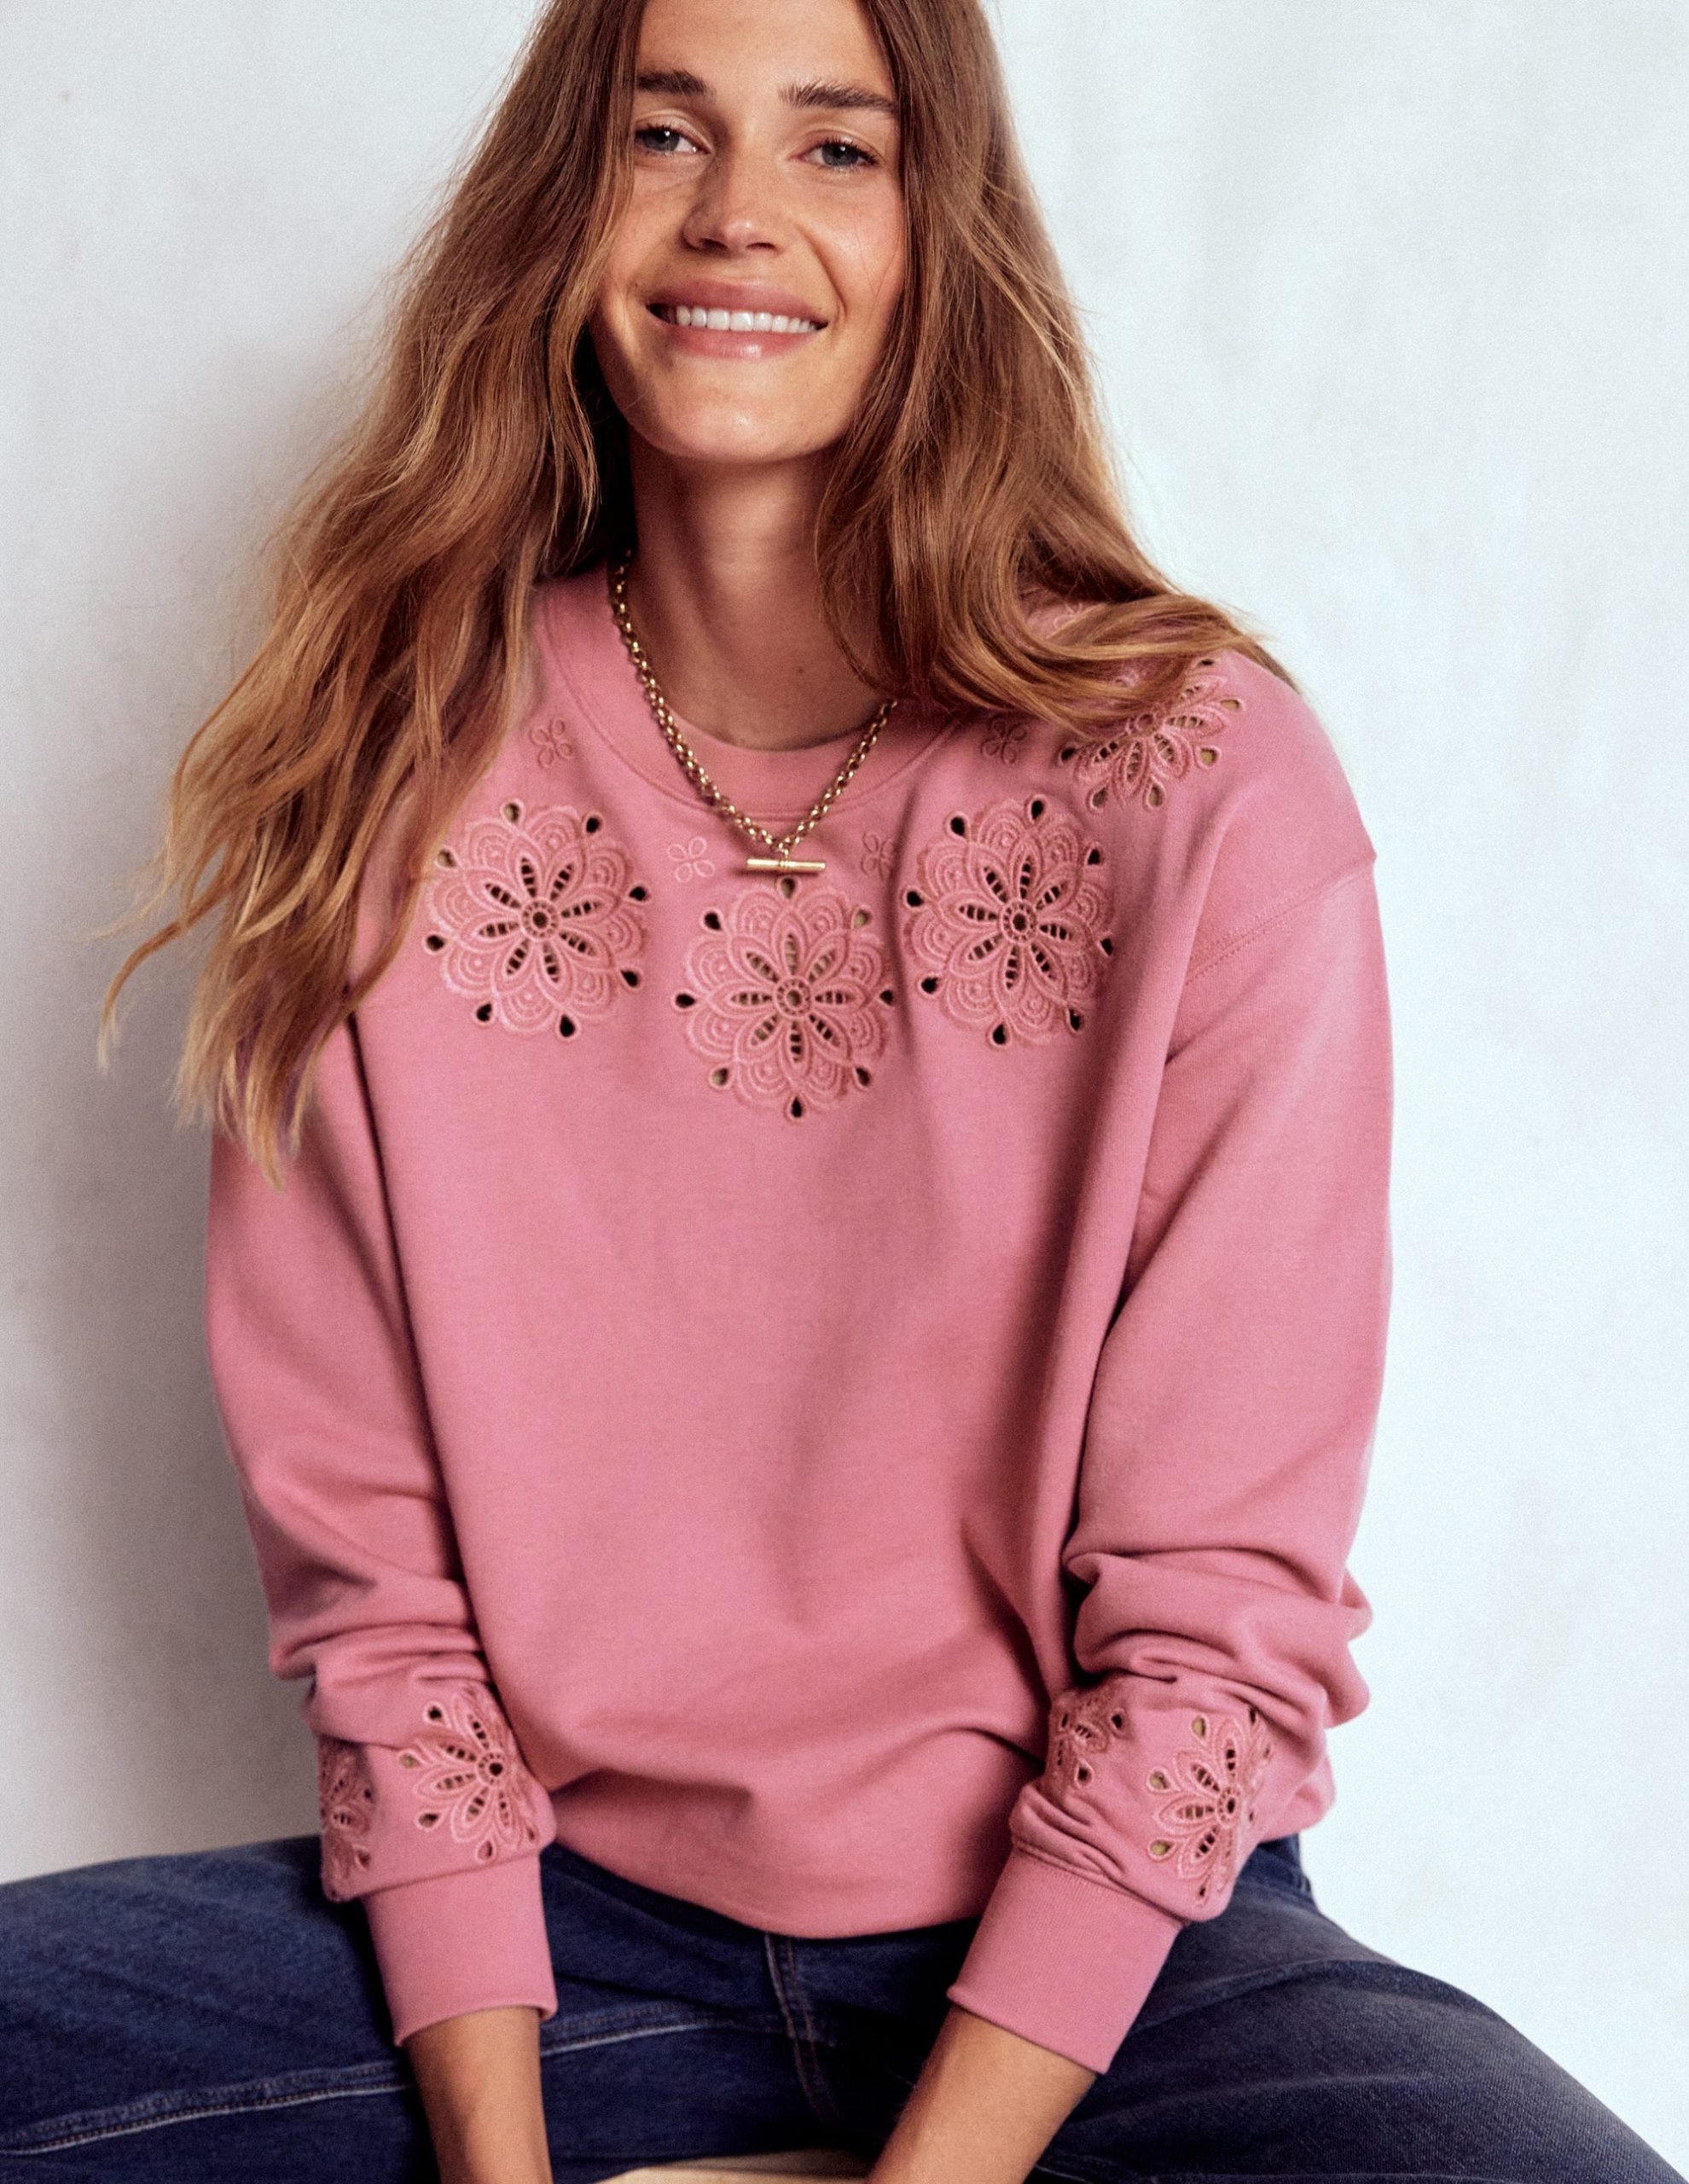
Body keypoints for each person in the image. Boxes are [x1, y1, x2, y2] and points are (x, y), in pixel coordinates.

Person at [3, 1, 1676, 2181]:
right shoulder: (390, 779)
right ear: (560, 208)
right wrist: (500, 2162)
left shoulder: (1205, 789)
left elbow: (1215, 1620)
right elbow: (383, 1606)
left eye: (838, 147)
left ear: (939, 229)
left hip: (1121, 1952)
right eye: (661, 133)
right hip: (568, 1925)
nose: (737, 214)